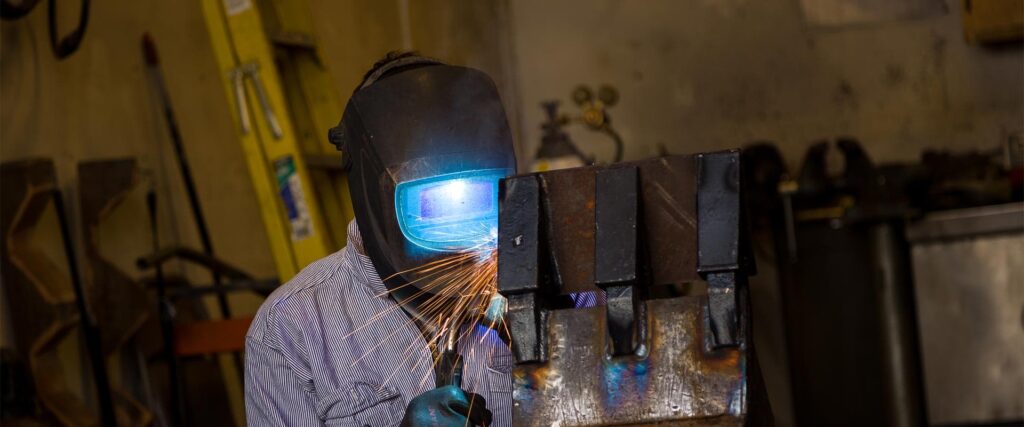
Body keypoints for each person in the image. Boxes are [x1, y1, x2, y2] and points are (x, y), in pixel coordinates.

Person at [244, 53, 516, 426]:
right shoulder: (290, 329)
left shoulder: (562, 288)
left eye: (479, 197)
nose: (457, 232)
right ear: (373, 191)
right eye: (429, 205)